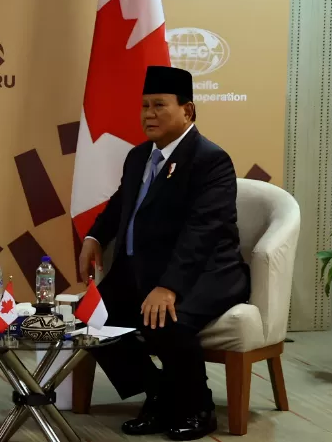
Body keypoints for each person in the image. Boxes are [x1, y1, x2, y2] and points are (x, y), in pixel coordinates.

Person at [79, 66, 250, 441]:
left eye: (159, 105)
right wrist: (94, 235)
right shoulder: (140, 156)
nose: (148, 114)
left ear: (187, 111)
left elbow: (203, 233)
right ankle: (160, 393)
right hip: (145, 269)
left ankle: (198, 407)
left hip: (207, 272)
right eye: (144, 106)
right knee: (90, 322)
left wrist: (169, 286)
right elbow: (122, 202)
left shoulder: (210, 159)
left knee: (165, 319)